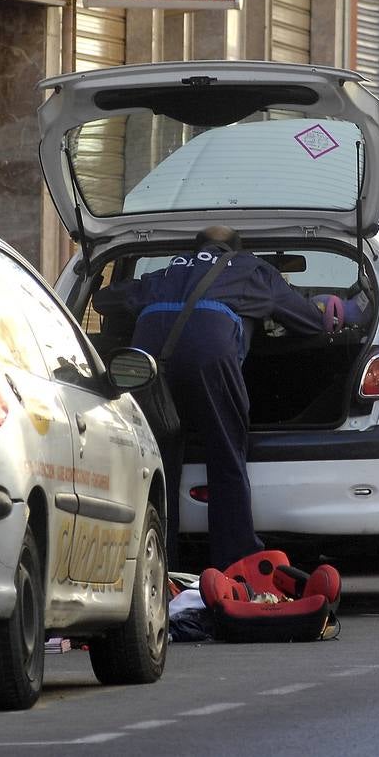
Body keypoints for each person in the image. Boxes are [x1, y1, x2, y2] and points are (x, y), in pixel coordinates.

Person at [92, 225, 344, 571]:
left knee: (155, 464)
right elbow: (308, 322)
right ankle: (234, 560)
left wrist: (95, 279)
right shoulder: (251, 269)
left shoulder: (166, 271)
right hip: (208, 354)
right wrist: (336, 312)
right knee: (225, 455)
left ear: (196, 249)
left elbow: (107, 300)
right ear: (237, 249)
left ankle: (154, 565)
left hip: (144, 361)